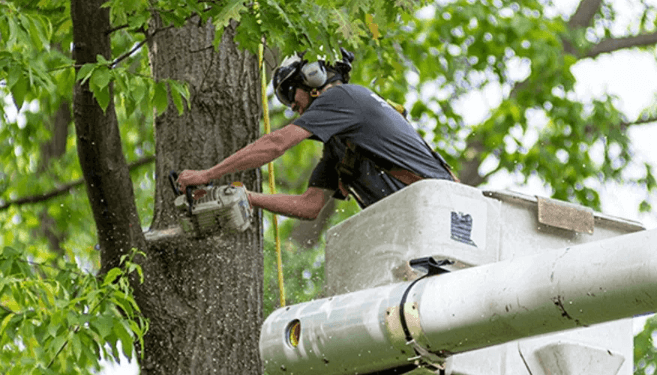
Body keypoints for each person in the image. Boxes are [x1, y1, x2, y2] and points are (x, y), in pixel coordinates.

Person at [178, 48, 456, 220]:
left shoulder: (345, 97)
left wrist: (207, 174)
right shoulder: (341, 148)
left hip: (445, 209)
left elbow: (276, 143)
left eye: (291, 95)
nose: (294, 108)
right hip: (416, 218)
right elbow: (309, 206)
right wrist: (244, 196)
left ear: (312, 77)